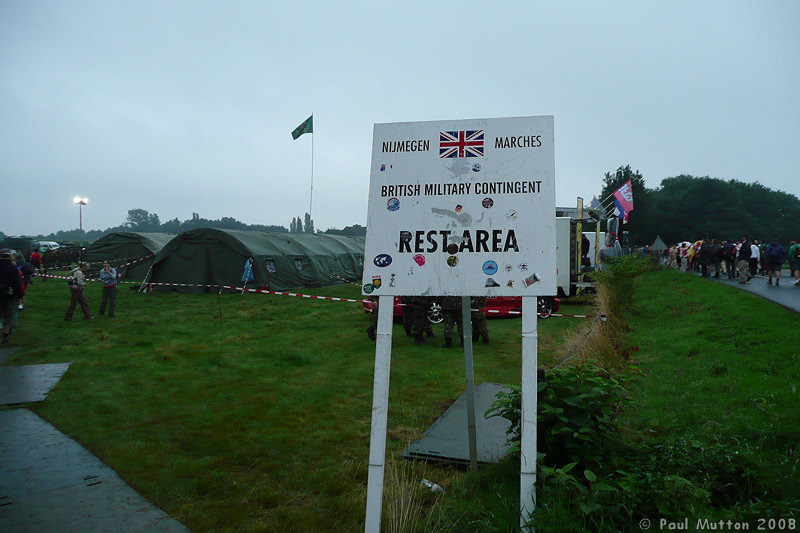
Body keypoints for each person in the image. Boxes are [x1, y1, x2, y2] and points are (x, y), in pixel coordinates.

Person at [0, 249, 24, 344]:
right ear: (9, 256)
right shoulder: (13, 268)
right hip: (8, 294)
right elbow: (16, 283)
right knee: (8, 314)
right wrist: (19, 296)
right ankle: (5, 334)